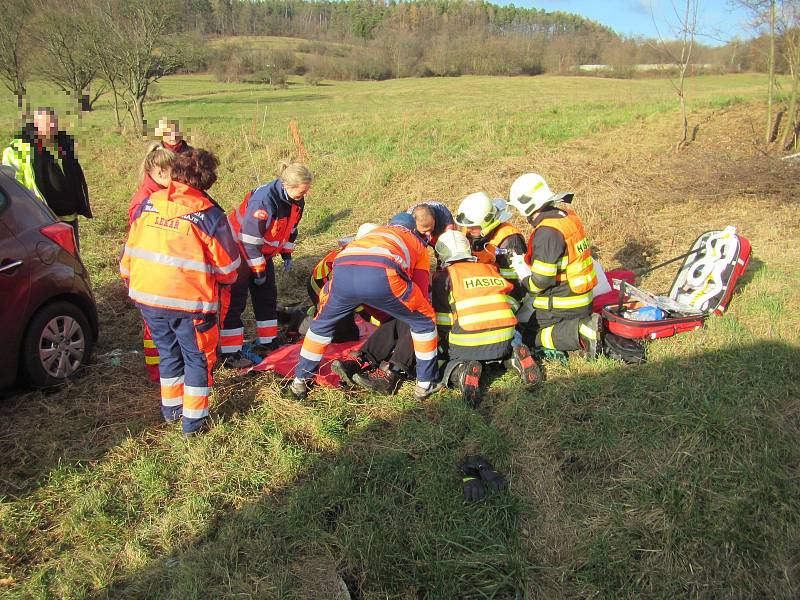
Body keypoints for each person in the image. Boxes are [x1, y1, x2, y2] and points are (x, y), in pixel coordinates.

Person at [120, 149, 241, 435]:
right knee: (196, 358)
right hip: (189, 302)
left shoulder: (149, 203)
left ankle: (172, 411)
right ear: (208, 182)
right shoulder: (208, 215)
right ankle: (194, 423)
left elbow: (129, 253)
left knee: (168, 352)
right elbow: (228, 268)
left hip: (146, 295)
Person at [291, 213, 439, 401]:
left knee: (321, 327)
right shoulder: (416, 242)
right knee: (424, 320)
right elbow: (421, 291)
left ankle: (299, 381)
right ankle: (425, 384)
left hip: (342, 272)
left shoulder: (372, 234)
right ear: (412, 229)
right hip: (382, 272)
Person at [431, 230, 541, 406]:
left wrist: (441, 345)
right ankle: (512, 357)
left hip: (467, 344)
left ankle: (460, 372)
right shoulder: (490, 268)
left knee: (435, 362)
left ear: (441, 255)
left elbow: (443, 320)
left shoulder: (443, 277)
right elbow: (508, 299)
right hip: (505, 338)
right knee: (501, 346)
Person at [220, 161, 313, 368]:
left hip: (261, 252)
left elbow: (291, 229)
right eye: (300, 192)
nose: (303, 196)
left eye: (305, 192)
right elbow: (249, 241)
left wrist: (287, 253)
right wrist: (258, 270)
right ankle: (229, 352)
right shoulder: (263, 202)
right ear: (286, 185)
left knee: (267, 296)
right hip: (237, 250)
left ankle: (268, 341)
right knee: (235, 301)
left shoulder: (297, 200)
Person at [507, 172, 601, 357]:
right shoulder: (567, 217)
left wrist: (523, 276)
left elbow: (540, 282)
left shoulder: (547, 232)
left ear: (527, 205)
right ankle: (580, 326)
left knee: (529, 336)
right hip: (582, 299)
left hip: (562, 305)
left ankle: (581, 332)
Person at [2, 108, 91, 248]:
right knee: (53, 257)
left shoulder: (63, 143)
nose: (53, 127)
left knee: (73, 256)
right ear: (36, 124)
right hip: (42, 216)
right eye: (48, 124)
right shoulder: (18, 149)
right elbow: (12, 184)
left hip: (69, 215)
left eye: (54, 123)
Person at [127, 143, 178, 382]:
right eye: (172, 172)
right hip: (151, 274)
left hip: (161, 269)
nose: (176, 177)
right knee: (154, 329)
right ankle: (158, 372)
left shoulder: (160, 193)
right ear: (158, 172)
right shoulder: (144, 201)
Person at [307, 222, 380, 343]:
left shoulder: (367, 251)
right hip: (321, 284)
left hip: (337, 283)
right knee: (345, 335)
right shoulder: (356, 257)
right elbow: (354, 293)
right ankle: (307, 323)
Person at [454, 192, 527, 306]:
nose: (467, 231)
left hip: (504, 299)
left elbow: (518, 287)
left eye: (472, 228)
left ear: (487, 224)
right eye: (466, 227)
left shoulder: (509, 241)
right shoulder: (470, 227)